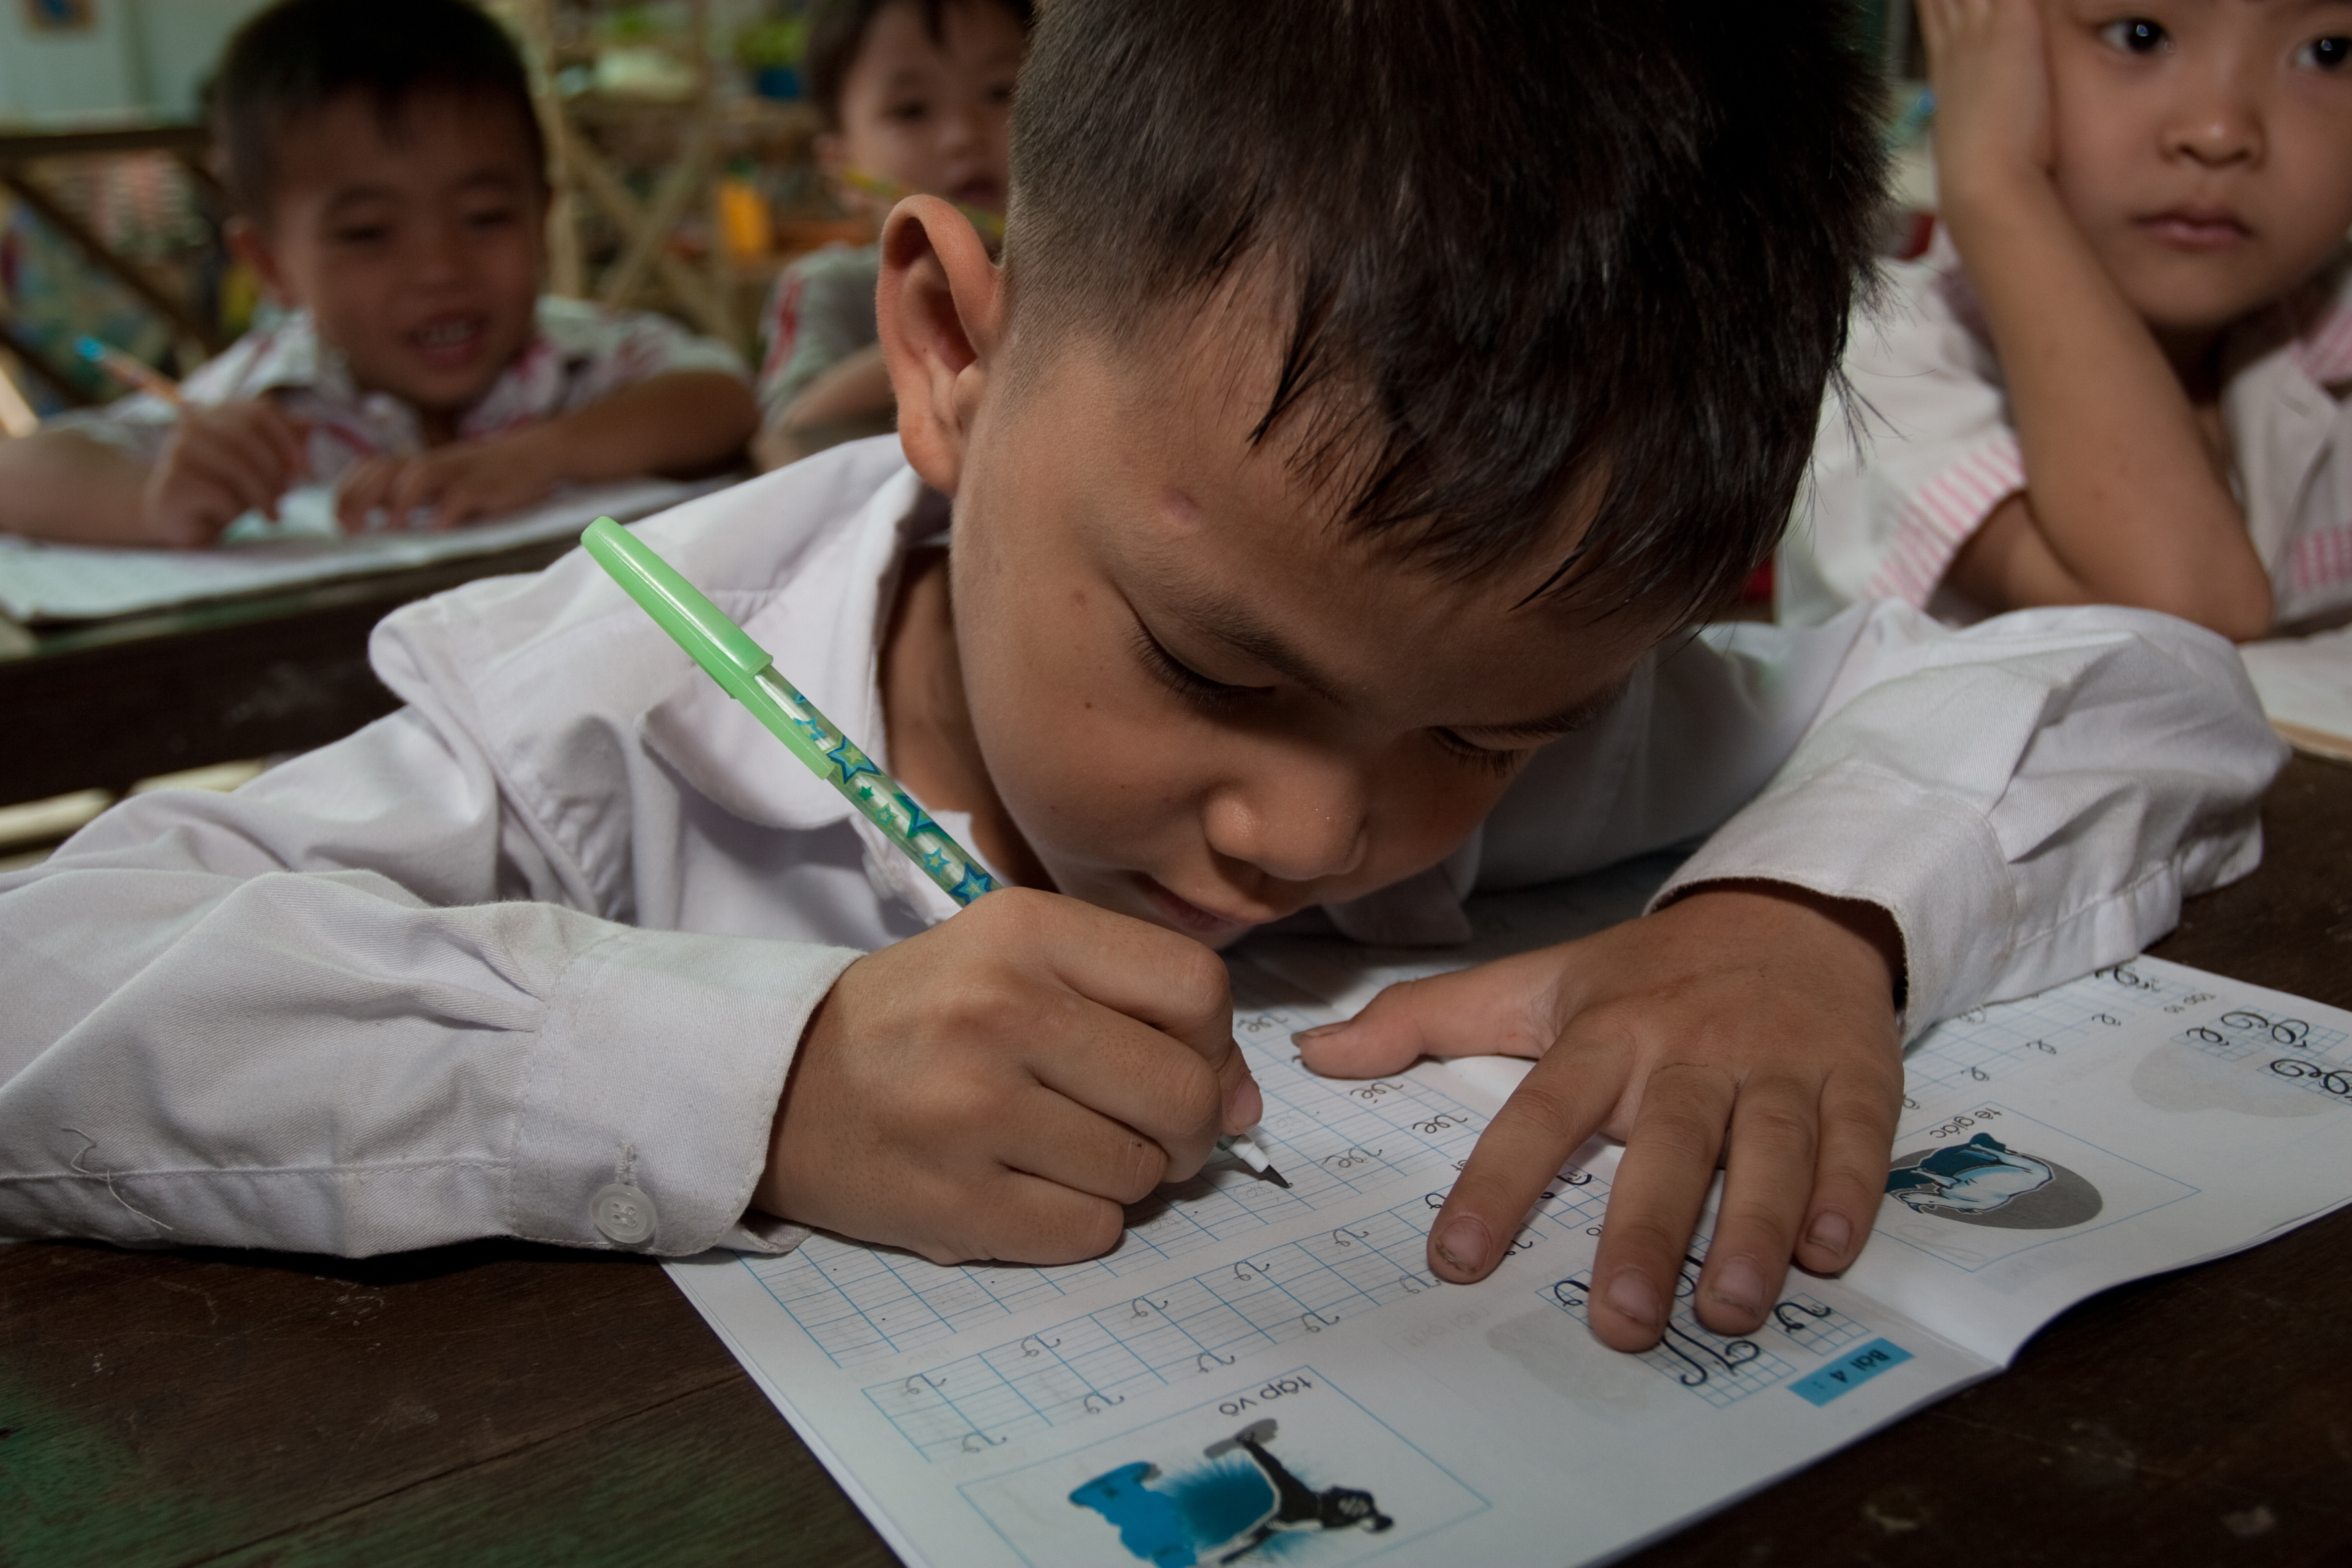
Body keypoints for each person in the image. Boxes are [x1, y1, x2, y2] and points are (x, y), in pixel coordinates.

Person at [0, 0, 2282, 1361]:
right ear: (953, 354)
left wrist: (1805, 923)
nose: (1319, 829)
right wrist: (749, 1074)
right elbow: (50, 983)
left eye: (1478, 731)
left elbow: (2133, 676)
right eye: (1212, 660)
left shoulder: (1552, 702)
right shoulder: (624, 716)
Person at [0, 0, 758, 549]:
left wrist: (538, 456)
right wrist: (151, 501)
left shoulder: (585, 360)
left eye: (487, 216)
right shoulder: (267, 401)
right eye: (368, 234)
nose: (439, 268)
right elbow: (17, 473)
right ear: (269, 265)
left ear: (543, 217)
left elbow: (723, 398)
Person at [1780, 0, 2352, 639]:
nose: (2219, 132)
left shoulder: (2326, 326)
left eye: (2330, 52)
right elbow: (2184, 613)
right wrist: (1996, 189)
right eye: (2140, 38)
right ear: (1978, 46)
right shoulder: (1880, 368)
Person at [749, 0, 1028, 471]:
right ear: (842, 168)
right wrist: (946, 337)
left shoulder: (1082, 271)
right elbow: (785, 438)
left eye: (1001, 92)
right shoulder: (833, 287)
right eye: (911, 110)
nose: (963, 134)